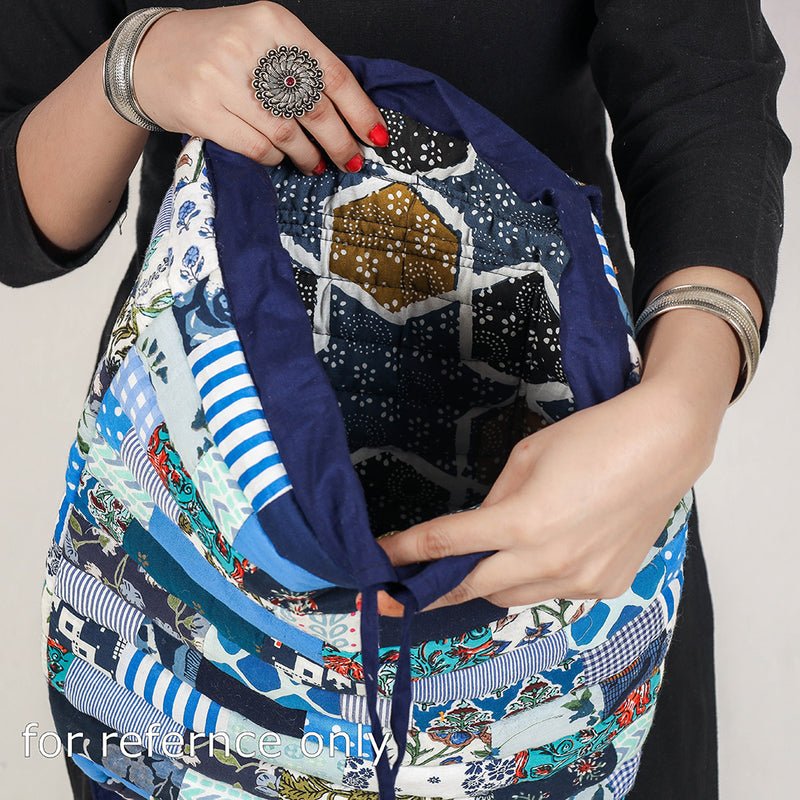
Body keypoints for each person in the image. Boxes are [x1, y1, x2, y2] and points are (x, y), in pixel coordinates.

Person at [0, 2, 790, 798]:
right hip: (201, 529)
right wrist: (136, 63)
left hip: (583, 510)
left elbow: (706, 88)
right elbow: (14, 213)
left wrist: (682, 407)